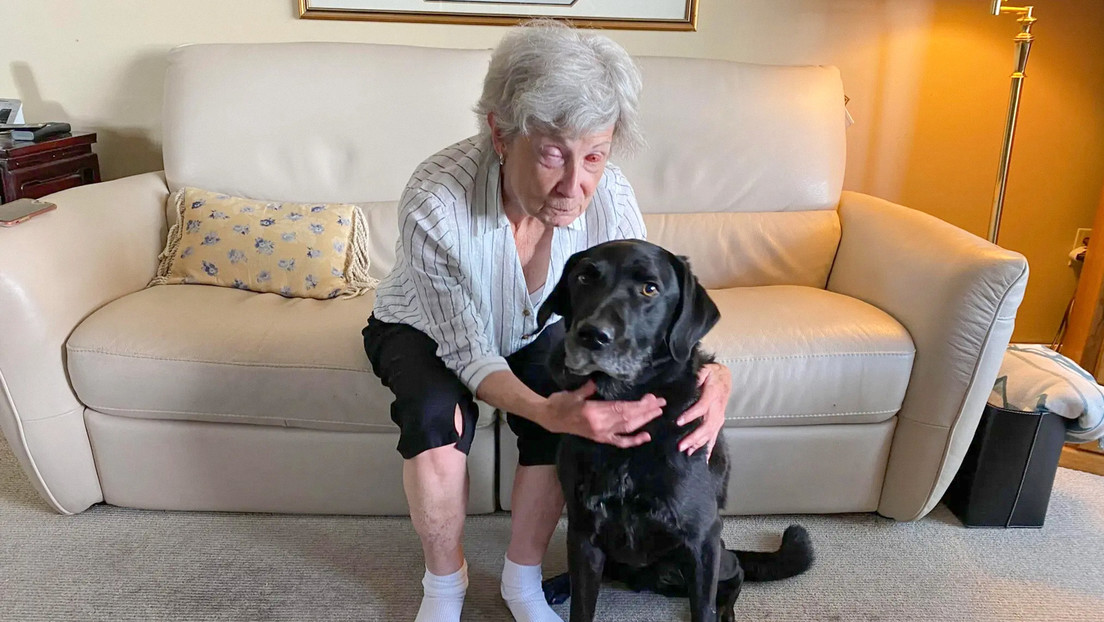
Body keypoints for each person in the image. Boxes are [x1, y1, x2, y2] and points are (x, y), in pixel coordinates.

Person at [362, 20, 732, 622]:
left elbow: (649, 308)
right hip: (426, 327)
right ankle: (444, 586)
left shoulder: (608, 192)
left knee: (574, 415)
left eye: (594, 155)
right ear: (502, 134)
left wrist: (717, 377)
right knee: (437, 415)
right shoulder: (436, 197)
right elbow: (469, 352)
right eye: (554, 153)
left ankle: (521, 580)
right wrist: (541, 405)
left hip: (534, 328)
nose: (575, 184)